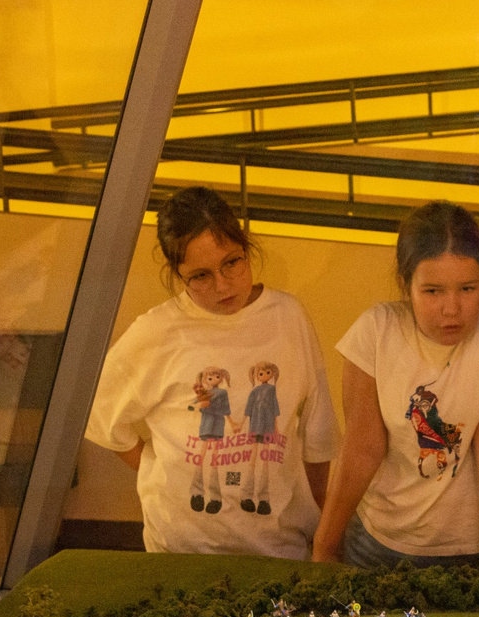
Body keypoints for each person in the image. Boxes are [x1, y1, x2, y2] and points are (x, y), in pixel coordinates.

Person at [84, 188, 337, 557]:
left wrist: (325, 531)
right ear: (177, 274)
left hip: (278, 547)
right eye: (200, 275)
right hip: (182, 549)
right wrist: (158, 470)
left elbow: (318, 435)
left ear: (247, 247)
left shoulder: (289, 317)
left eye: (232, 263)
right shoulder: (156, 332)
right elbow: (99, 415)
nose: (222, 285)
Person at [314, 202, 479, 569]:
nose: (451, 309)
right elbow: (362, 445)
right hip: (376, 543)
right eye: (432, 291)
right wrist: (324, 545)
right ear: (406, 285)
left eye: (468, 289)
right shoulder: (375, 330)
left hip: (469, 549)